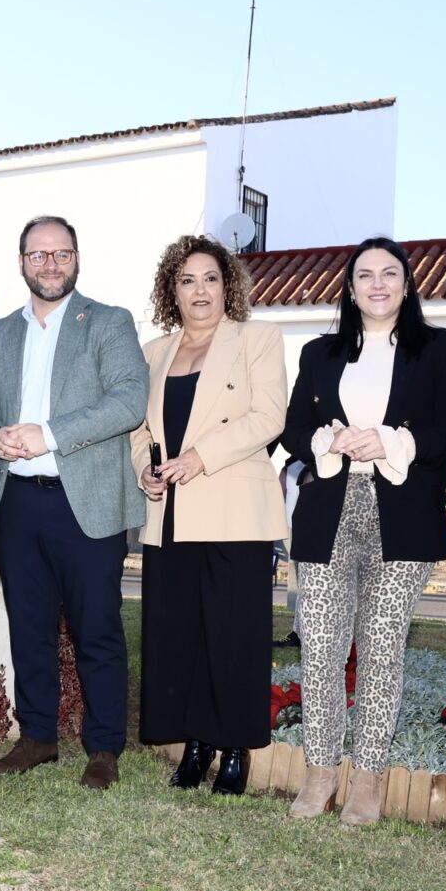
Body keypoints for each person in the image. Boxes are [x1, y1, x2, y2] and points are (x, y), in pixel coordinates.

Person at [277, 236, 446, 824]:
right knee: (322, 647)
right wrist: (327, 440)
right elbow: (292, 430)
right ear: (351, 286)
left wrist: (389, 441)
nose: (378, 284)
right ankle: (320, 774)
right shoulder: (320, 351)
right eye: (365, 275)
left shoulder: (438, 349)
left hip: (402, 514)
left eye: (390, 273)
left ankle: (368, 779)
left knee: (383, 650)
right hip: (329, 508)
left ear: (407, 285)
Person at [0, 215, 148, 790]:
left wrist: (50, 433)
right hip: (18, 501)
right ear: (21, 262)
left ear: (76, 260)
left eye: (61, 253)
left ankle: (104, 747)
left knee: (97, 629)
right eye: (38, 255)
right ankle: (38, 736)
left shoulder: (109, 323)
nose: (50, 264)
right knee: (30, 628)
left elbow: (129, 401)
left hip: (85, 502)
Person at [130, 234, 287, 795]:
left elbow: (270, 416)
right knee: (180, 635)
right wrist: (144, 470)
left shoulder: (258, 339)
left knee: (234, 634)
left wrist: (202, 456)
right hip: (169, 515)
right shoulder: (152, 352)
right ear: (171, 290)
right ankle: (194, 744)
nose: (199, 290)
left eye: (210, 278)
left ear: (229, 286)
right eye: (187, 280)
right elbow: (140, 431)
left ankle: (236, 749)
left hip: (234, 511)